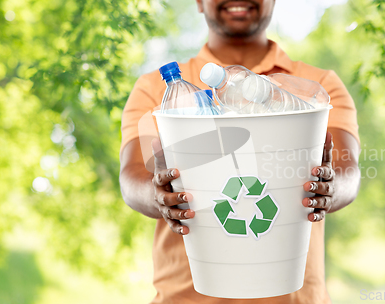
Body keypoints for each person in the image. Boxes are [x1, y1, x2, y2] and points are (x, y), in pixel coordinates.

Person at [119, 0, 361, 303]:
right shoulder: (157, 90)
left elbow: (347, 173)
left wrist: (329, 188)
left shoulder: (317, 86)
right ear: (198, 2)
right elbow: (132, 180)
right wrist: (158, 194)